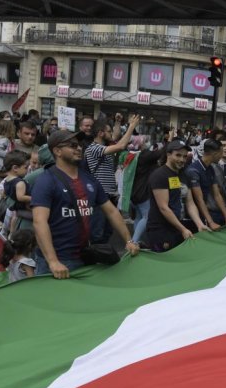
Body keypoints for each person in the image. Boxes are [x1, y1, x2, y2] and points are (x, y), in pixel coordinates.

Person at [31, 130, 139, 279]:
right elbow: (39, 222)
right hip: (57, 261)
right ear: (57, 151)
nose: (79, 148)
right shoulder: (46, 181)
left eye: (80, 144)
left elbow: (111, 211)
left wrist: (129, 240)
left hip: (84, 256)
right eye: (72, 145)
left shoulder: (89, 180)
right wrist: (53, 261)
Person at [84, 115, 140, 243]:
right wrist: (131, 127)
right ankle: (95, 259)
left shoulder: (104, 146)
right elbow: (120, 146)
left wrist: (117, 122)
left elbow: (115, 137)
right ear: (100, 133)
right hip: (99, 197)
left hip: (109, 196)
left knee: (107, 231)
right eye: (108, 131)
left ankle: (102, 258)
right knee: (97, 233)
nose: (111, 134)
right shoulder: (94, 148)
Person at [145, 140, 206, 252]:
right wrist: (183, 229)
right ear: (168, 154)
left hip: (178, 228)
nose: (182, 159)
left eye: (184, 156)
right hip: (160, 231)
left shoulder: (184, 175)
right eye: (178, 155)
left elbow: (190, 202)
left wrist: (199, 224)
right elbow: (164, 207)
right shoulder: (159, 175)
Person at [187, 139, 226, 231]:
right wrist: (211, 223)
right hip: (191, 217)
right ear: (215, 154)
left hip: (203, 214)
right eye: (221, 153)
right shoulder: (193, 171)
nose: (221, 156)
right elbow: (199, 200)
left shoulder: (210, 168)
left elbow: (217, 194)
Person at [1, 151, 32, 234]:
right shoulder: (20, 183)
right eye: (25, 167)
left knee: (12, 224)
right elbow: (20, 197)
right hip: (23, 210)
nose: (27, 169)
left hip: (13, 209)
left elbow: (4, 194)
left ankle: (11, 236)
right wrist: (34, 198)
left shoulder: (6, 180)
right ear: (15, 168)